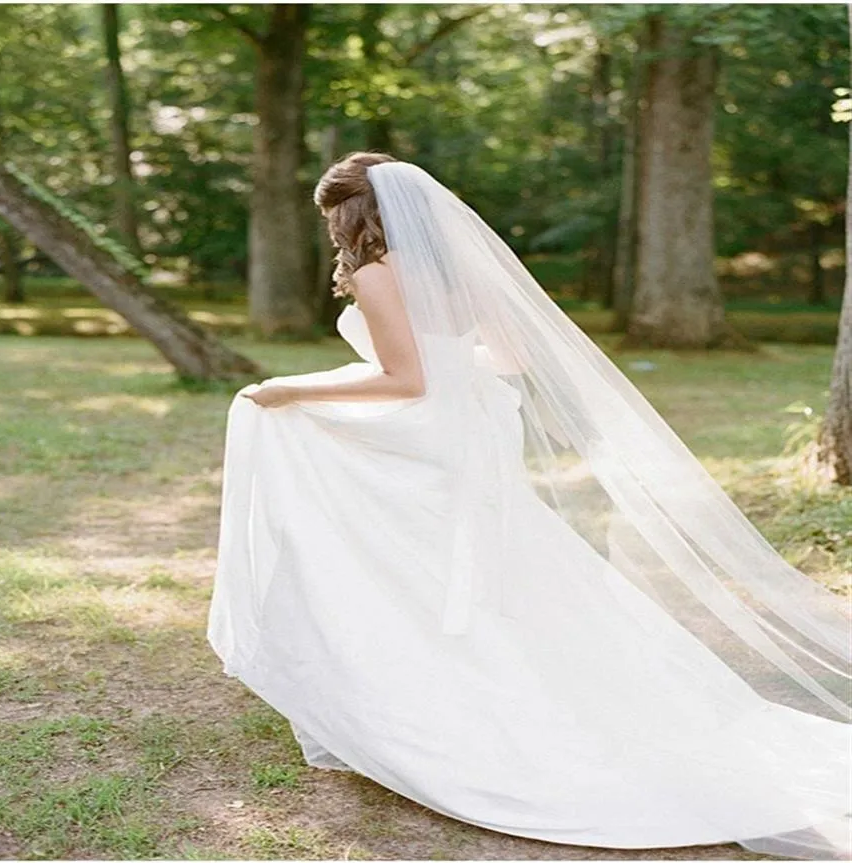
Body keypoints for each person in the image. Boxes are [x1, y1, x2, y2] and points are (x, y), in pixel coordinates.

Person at [208, 152, 851, 859]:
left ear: (352, 212)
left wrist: (290, 391)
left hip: (429, 432)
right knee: (485, 562)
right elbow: (507, 358)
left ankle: (433, 695)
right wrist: (455, 372)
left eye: (332, 212)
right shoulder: (455, 264)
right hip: (470, 430)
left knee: (309, 455)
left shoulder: (374, 271)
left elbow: (404, 378)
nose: (330, 225)